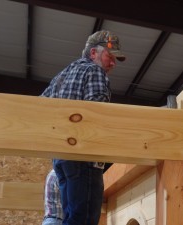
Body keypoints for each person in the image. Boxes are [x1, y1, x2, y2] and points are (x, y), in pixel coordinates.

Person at [40, 30, 125, 225]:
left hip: (61, 158)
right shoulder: (95, 71)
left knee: (71, 217)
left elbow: (40, 109)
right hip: (84, 156)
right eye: (109, 57)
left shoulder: (60, 77)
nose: (113, 63)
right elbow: (96, 116)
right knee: (83, 219)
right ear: (93, 53)